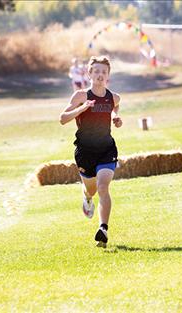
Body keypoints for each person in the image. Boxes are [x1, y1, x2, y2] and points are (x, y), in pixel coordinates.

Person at [59, 56, 123, 248]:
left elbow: (115, 106)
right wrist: (82, 108)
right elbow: (62, 118)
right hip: (85, 152)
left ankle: (103, 229)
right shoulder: (81, 96)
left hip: (106, 149)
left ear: (108, 75)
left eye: (104, 72)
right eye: (96, 71)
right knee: (92, 189)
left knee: (103, 187)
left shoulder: (114, 97)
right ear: (89, 74)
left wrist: (116, 117)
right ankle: (87, 197)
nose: (100, 75)